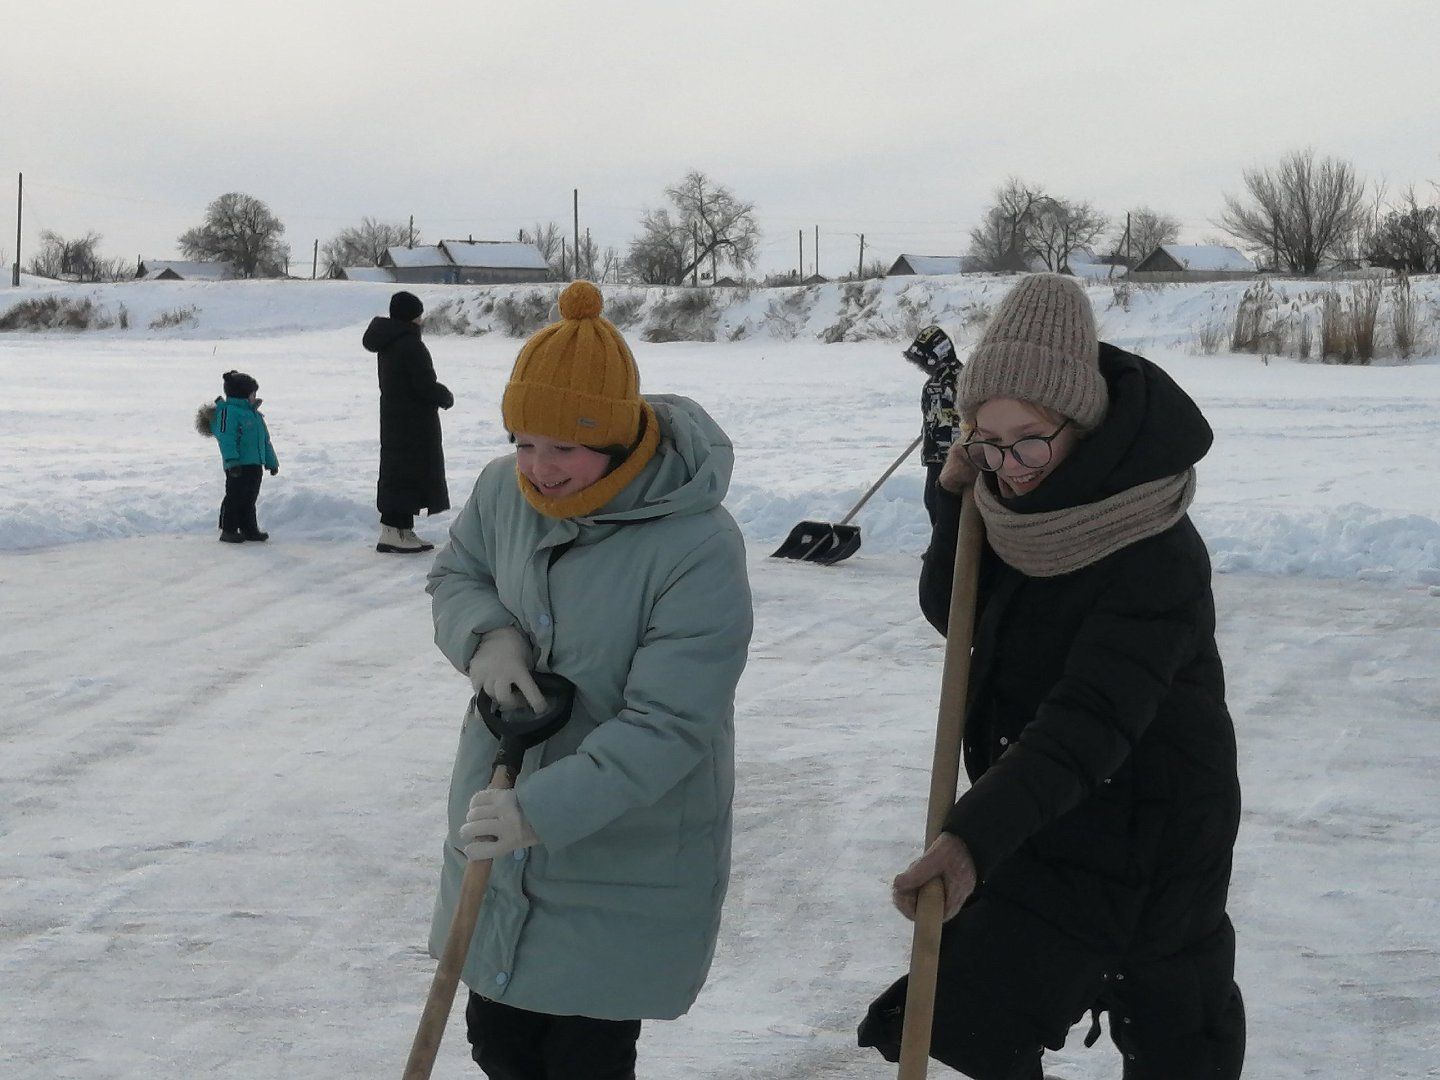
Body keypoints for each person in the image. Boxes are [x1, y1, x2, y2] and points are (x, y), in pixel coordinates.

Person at [859, 274, 1245, 1079]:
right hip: (1044, 814)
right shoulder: (1004, 502)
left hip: (1155, 831)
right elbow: (951, 612)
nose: (1012, 465)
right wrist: (950, 504)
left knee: (1178, 1044)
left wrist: (969, 839)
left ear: (1083, 420)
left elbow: (1090, 718)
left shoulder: (1152, 545)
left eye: (1028, 438)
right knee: (948, 1019)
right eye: (987, 442)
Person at [425, 280, 753, 1080]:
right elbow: (457, 572)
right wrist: (487, 637)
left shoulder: (696, 545)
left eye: (563, 448)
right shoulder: (504, 491)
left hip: (621, 845)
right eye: (523, 441)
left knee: (580, 1058)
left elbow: (671, 723)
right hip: (496, 811)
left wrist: (539, 812)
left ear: (615, 440)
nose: (539, 469)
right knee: (498, 1043)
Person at [363, 289, 454, 554]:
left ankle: (398, 529)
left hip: (394, 417)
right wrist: (444, 396)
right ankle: (395, 531)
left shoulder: (389, 341)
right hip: (414, 420)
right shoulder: (410, 344)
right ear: (412, 316)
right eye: (419, 315)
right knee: (409, 471)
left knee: (396, 470)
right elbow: (423, 385)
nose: (421, 320)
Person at [195, 370, 279, 543]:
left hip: (255, 464)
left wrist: (271, 462)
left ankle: (249, 528)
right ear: (242, 395)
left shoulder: (255, 415)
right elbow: (227, 439)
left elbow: (265, 441)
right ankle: (229, 529)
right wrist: (232, 461)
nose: (255, 397)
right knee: (235, 496)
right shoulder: (229, 413)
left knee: (250, 497)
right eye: (252, 394)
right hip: (238, 465)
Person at [902, 324, 962, 524]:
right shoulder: (933, 383)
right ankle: (940, 546)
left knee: (951, 504)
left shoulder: (960, 379)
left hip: (955, 455)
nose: (922, 367)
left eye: (924, 361)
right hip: (935, 454)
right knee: (932, 500)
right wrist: (928, 432)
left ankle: (951, 550)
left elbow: (969, 414)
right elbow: (930, 414)